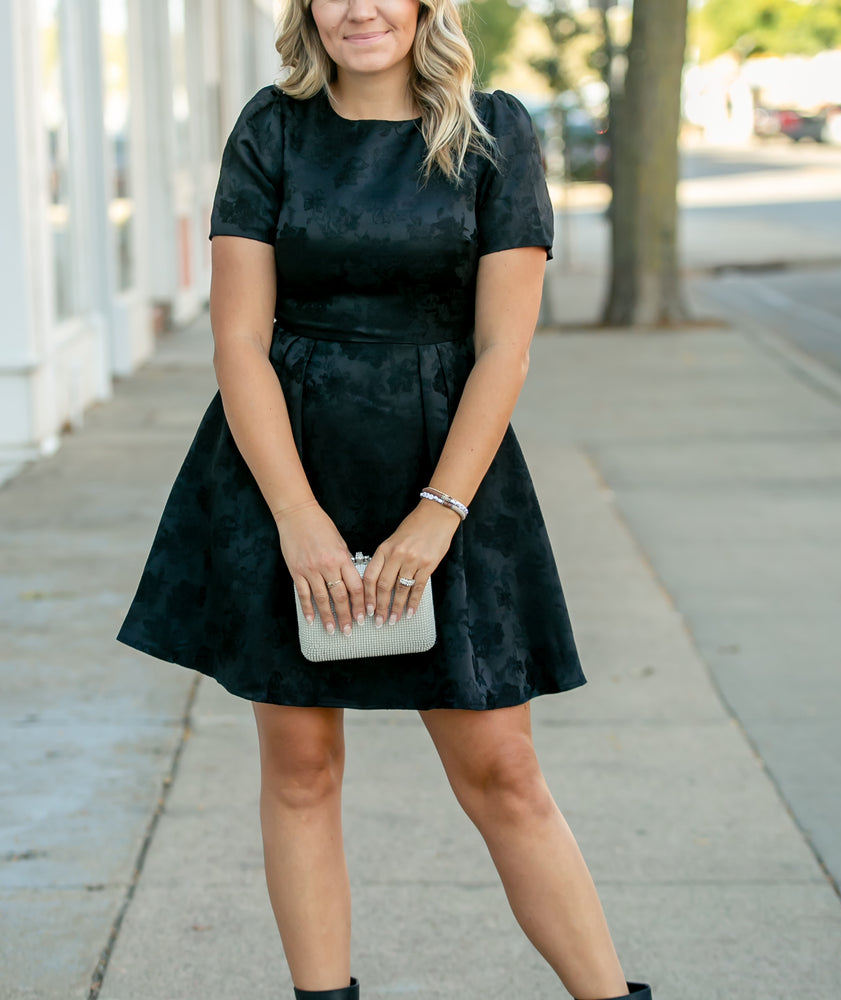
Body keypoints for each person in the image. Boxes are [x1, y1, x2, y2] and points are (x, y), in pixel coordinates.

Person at [117, 0, 653, 998]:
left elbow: (505, 346)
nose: (359, 8)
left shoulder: (496, 131)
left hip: (449, 468)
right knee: (301, 766)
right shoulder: (271, 129)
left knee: (504, 773)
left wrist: (437, 512)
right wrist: (296, 518)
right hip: (285, 463)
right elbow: (238, 340)